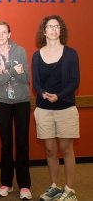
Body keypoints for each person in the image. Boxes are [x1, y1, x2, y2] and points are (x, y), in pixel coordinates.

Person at [32, 15, 80, 201]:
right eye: (50, 27)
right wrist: (43, 93)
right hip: (43, 109)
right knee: (50, 150)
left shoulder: (71, 54)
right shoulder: (37, 55)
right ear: (44, 32)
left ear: (61, 31)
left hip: (66, 107)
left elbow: (75, 81)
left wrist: (58, 96)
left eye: (57, 26)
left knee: (66, 149)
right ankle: (55, 186)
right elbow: (35, 82)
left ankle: (69, 190)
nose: (53, 29)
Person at [0, 21, 32, 200]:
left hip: (21, 101)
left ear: (10, 34)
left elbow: (26, 78)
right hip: (2, 102)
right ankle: (6, 183)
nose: (1, 35)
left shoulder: (20, 51)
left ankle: (25, 186)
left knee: (22, 144)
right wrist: (12, 71)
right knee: (6, 145)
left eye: (5, 32)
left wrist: (5, 72)